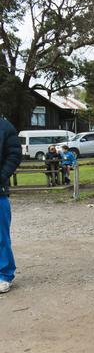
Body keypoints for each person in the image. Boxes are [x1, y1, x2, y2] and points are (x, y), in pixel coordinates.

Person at [0, 117, 21, 293]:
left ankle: (4, 275)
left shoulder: (5, 126)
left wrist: (2, 176)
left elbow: (14, 154)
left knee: (1, 236)